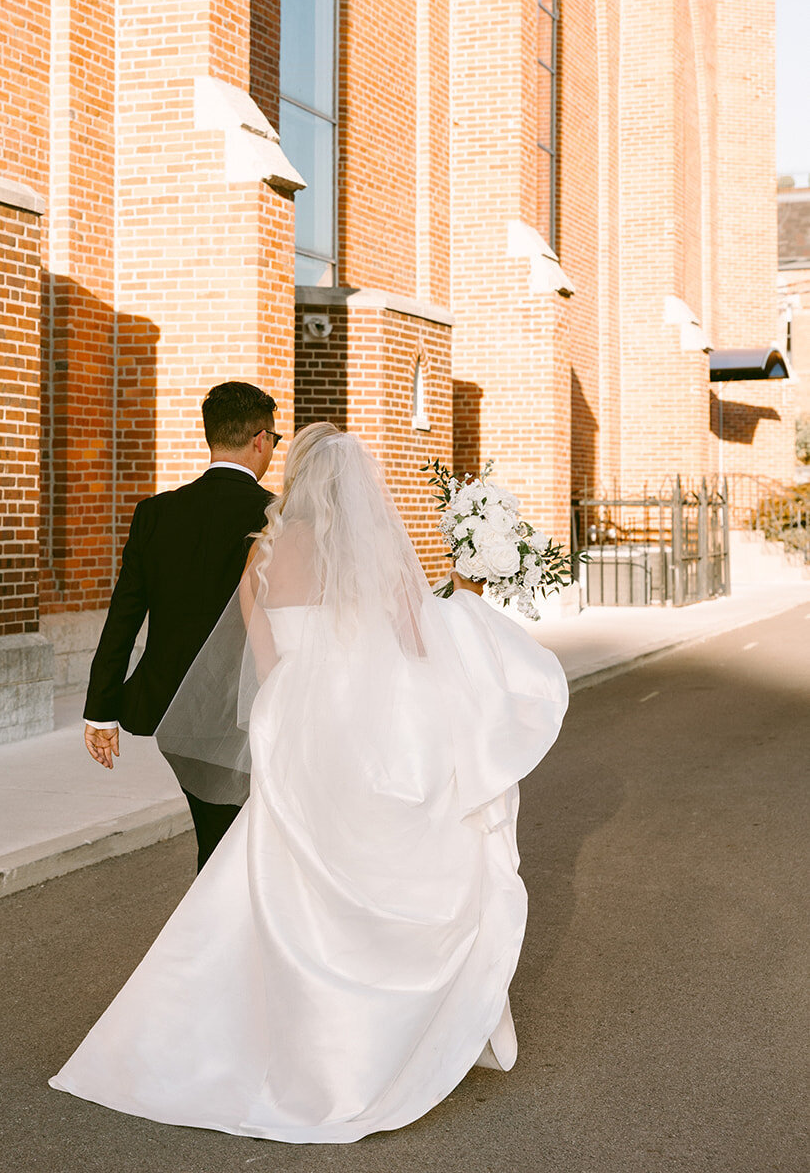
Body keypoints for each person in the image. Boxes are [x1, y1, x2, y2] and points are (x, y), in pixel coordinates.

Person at [52, 423, 569, 1143]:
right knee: (377, 875)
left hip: (292, 728)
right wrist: (466, 596)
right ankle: (363, 1046)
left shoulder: (261, 555)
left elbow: (263, 661)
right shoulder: (380, 558)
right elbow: (418, 646)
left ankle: (247, 1040)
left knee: (286, 887)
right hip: (363, 732)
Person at [81, 380, 279, 871]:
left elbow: (123, 618)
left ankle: (218, 931)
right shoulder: (278, 516)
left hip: (175, 714)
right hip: (252, 712)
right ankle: (221, 935)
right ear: (260, 440)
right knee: (242, 846)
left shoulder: (156, 514)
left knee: (222, 840)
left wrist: (101, 710)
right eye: (274, 439)